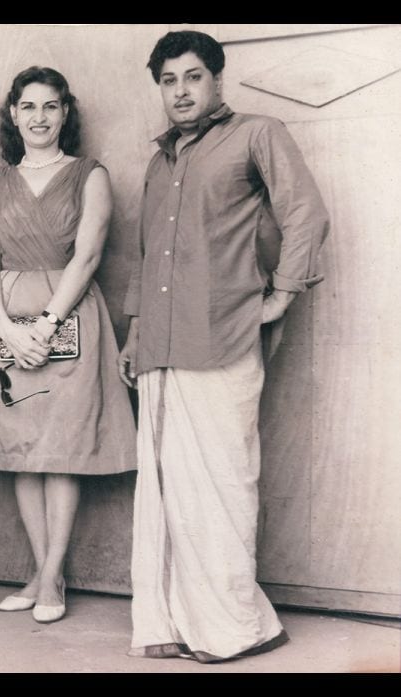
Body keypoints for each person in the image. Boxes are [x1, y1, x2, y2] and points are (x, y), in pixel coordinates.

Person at [118, 30, 330, 662]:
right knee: (165, 490)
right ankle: (173, 624)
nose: (180, 92)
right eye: (168, 81)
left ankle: (236, 627)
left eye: (192, 77)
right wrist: (134, 331)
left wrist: (282, 294)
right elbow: (147, 252)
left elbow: (305, 214)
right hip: (159, 343)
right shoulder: (161, 161)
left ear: (216, 80)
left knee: (223, 485)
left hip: (223, 336)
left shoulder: (257, 133)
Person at [0, 66, 137, 624]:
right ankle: (41, 570)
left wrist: (47, 324)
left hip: (68, 316)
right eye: (28, 107)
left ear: (65, 113)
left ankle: (51, 579)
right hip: (7, 321)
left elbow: (88, 256)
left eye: (50, 106)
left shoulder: (88, 175)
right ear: (13, 114)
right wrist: (8, 329)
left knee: (61, 452)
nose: (39, 117)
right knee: (20, 452)